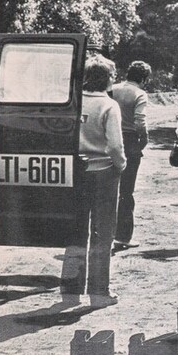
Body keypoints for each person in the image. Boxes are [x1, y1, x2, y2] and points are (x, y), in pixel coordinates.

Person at [60, 54, 126, 305]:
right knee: (103, 231)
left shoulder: (73, 101)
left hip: (75, 169)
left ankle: (70, 287)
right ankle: (99, 291)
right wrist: (121, 165)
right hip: (103, 172)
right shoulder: (109, 105)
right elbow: (115, 146)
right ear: (107, 78)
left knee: (76, 229)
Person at [112, 60, 152, 252]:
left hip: (110, 138)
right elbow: (140, 122)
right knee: (126, 192)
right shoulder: (140, 94)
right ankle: (122, 236)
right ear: (143, 79)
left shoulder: (112, 89)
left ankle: (102, 231)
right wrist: (143, 140)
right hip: (129, 142)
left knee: (107, 187)